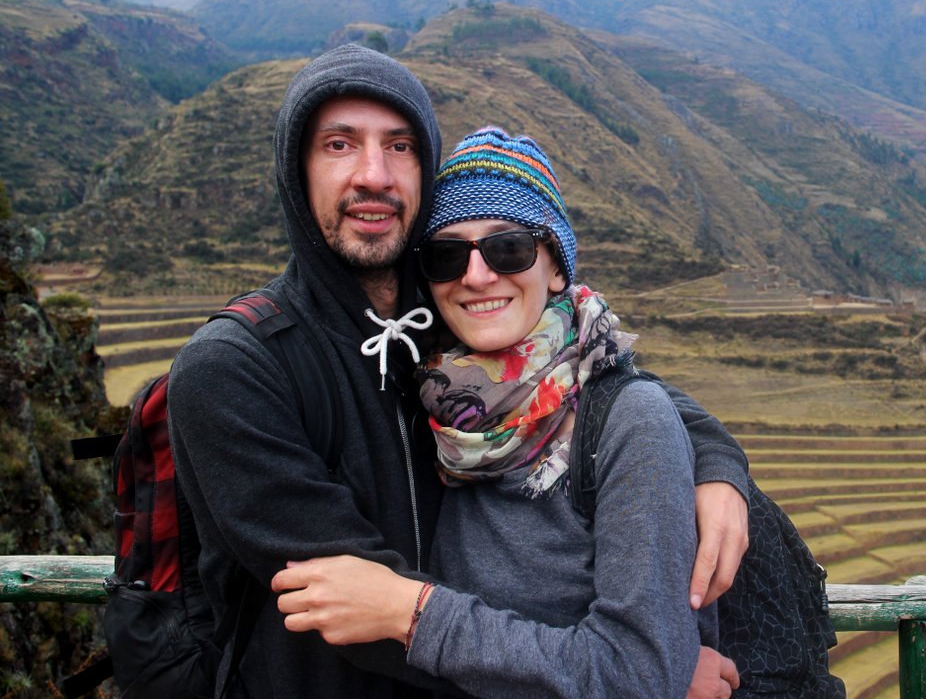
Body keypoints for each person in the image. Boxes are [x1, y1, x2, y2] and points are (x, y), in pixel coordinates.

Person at [168, 45, 750, 699]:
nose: (373, 174)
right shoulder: (239, 370)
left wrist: (714, 461)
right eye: (338, 145)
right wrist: (648, 675)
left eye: (400, 146)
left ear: (557, 265)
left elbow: (618, 392)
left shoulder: (442, 333)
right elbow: (365, 600)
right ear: (295, 172)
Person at [272, 128, 728, 697]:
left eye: (507, 247)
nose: (477, 275)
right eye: (446, 255)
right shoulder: (432, 403)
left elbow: (637, 676)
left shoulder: (627, 422)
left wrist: (411, 613)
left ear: (556, 267)